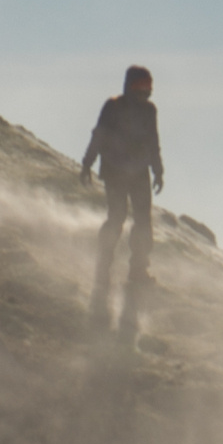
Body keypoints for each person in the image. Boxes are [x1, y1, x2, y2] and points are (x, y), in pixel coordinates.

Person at [79, 65, 165, 340]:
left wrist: (158, 170)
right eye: (141, 86)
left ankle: (138, 268)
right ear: (129, 86)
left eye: (148, 86)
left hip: (138, 172)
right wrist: (87, 163)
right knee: (116, 218)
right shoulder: (113, 107)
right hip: (116, 171)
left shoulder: (150, 111)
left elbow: (153, 141)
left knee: (142, 221)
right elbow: (99, 134)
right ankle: (103, 267)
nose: (145, 91)